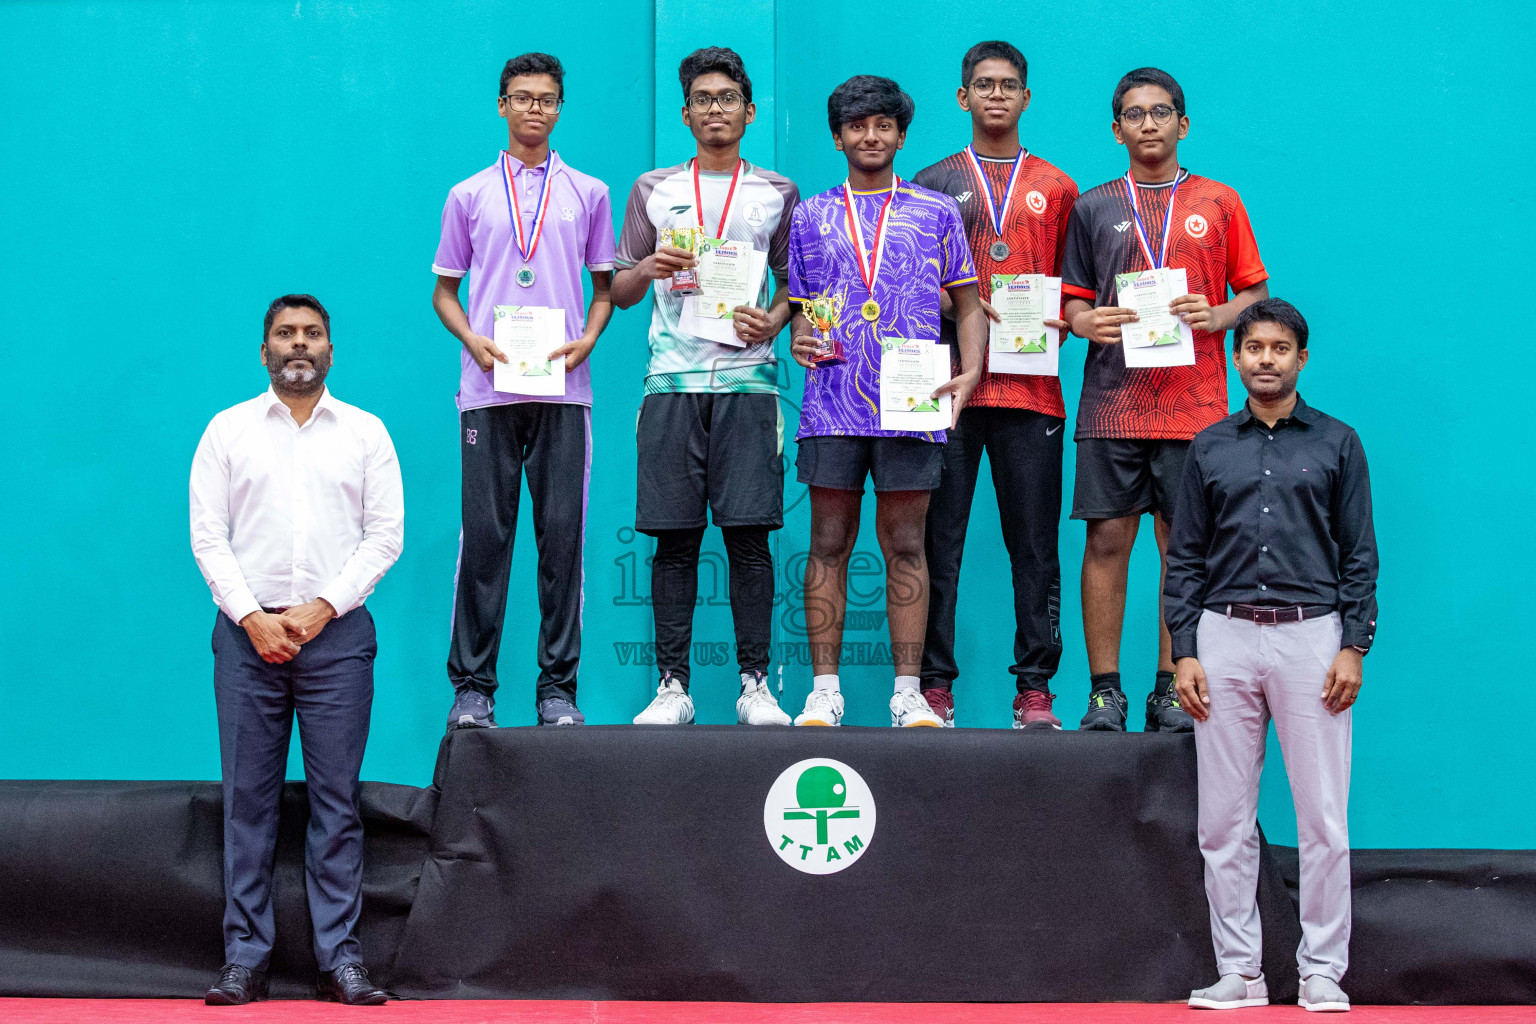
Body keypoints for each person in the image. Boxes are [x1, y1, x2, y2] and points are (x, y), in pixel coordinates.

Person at [190, 295, 403, 1006]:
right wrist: (252, 616)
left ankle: (340, 959)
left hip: (336, 639)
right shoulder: (227, 431)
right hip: (248, 638)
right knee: (248, 803)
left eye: (312, 334)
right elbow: (208, 536)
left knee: (334, 805)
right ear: (264, 351)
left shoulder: (366, 433)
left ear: (331, 350)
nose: (299, 344)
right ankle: (244, 960)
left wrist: (322, 607)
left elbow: (385, 536)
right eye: (285, 334)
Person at [1165, 299, 1376, 1013]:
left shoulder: (1339, 443)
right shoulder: (1209, 447)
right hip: (1221, 637)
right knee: (1222, 821)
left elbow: (1360, 556)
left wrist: (1352, 645)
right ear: (1237, 355)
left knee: (1322, 818)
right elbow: (1184, 557)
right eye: (1253, 346)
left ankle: (1322, 971)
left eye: (1279, 348)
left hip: (1312, 638)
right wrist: (1184, 651)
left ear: (1301, 359)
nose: (1265, 359)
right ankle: (1241, 973)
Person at [1060, 67, 1270, 732]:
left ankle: (1171, 686)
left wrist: (1220, 315)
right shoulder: (1091, 207)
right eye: (1133, 113)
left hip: (1196, 408)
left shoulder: (1220, 201)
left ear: (1183, 124)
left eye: (1160, 112)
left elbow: (1255, 296)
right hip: (1111, 406)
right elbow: (1071, 301)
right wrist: (1082, 321)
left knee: (1185, 549)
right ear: (1115, 128)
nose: (1147, 124)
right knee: (1106, 543)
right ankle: (1103, 693)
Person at [787, 75, 987, 727]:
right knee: (828, 542)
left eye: (883, 125)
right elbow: (806, 309)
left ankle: (908, 693)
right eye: (857, 125)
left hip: (913, 400)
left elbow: (966, 305)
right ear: (838, 136)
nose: (870, 136)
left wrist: (971, 373)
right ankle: (825, 691)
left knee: (906, 542)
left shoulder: (936, 212)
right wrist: (802, 336)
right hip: (834, 404)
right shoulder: (812, 214)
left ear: (901, 135)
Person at [612, 47, 800, 726]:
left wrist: (772, 319)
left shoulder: (777, 192)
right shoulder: (652, 189)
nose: (715, 109)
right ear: (686, 112)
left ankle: (756, 687)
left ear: (749, 112)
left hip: (750, 386)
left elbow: (797, 288)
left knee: (749, 539)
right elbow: (622, 290)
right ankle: (672, 688)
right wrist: (649, 265)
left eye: (727, 98)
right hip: (671, 383)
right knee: (674, 541)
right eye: (703, 99)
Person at [432, 52, 615, 730]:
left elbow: (603, 291)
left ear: (559, 108)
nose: (534, 108)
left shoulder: (589, 193)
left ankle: (557, 692)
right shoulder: (468, 194)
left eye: (546, 98)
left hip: (565, 391)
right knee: (485, 540)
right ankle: (473, 690)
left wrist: (589, 338)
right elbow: (445, 292)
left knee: (561, 541)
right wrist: (472, 340)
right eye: (522, 97)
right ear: (502, 106)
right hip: (488, 388)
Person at [910, 41, 1078, 729]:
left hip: (1032, 391)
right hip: (949, 387)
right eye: (984, 84)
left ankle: (1035, 688)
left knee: (1035, 545)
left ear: (1027, 97)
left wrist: (1064, 317)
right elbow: (909, 289)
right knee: (935, 540)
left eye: (1009, 84)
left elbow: (1078, 291)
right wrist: (958, 305)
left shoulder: (1061, 188)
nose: (997, 95)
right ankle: (932, 687)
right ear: (963, 97)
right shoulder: (930, 182)